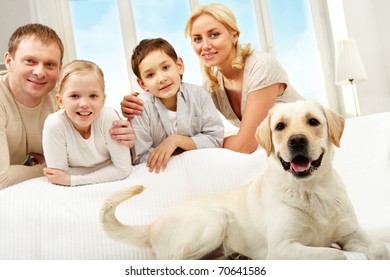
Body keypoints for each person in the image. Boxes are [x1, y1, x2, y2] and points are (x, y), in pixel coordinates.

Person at [121, 3, 303, 154]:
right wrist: (134, 103)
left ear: (234, 35)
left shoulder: (262, 67)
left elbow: (245, 145)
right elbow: (177, 100)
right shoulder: (212, 86)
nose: (205, 45)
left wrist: (190, 143)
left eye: (214, 34)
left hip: (306, 142)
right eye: (197, 39)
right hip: (285, 151)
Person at [0, 23, 134, 189]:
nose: (40, 72)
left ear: (59, 68)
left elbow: (90, 149)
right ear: (8, 61)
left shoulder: (66, 99)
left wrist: (123, 134)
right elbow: (1, 179)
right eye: (30, 61)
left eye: (50, 64)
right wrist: (49, 168)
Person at [129, 38, 224, 173]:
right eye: (150, 75)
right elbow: (140, 157)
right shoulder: (140, 108)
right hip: (164, 174)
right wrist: (188, 149)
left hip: (201, 169)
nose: (162, 78)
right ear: (142, 84)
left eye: (166, 67)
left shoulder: (199, 95)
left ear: (179, 66)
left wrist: (176, 141)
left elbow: (215, 139)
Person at [42, 60, 132, 186]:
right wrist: (108, 168)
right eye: (74, 96)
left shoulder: (108, 117)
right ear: (60, 101)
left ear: (103, 100)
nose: (84, 104)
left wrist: (72, 180)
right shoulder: (55, 124)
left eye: (93, 96)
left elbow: (123, 170)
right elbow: (58, 175)